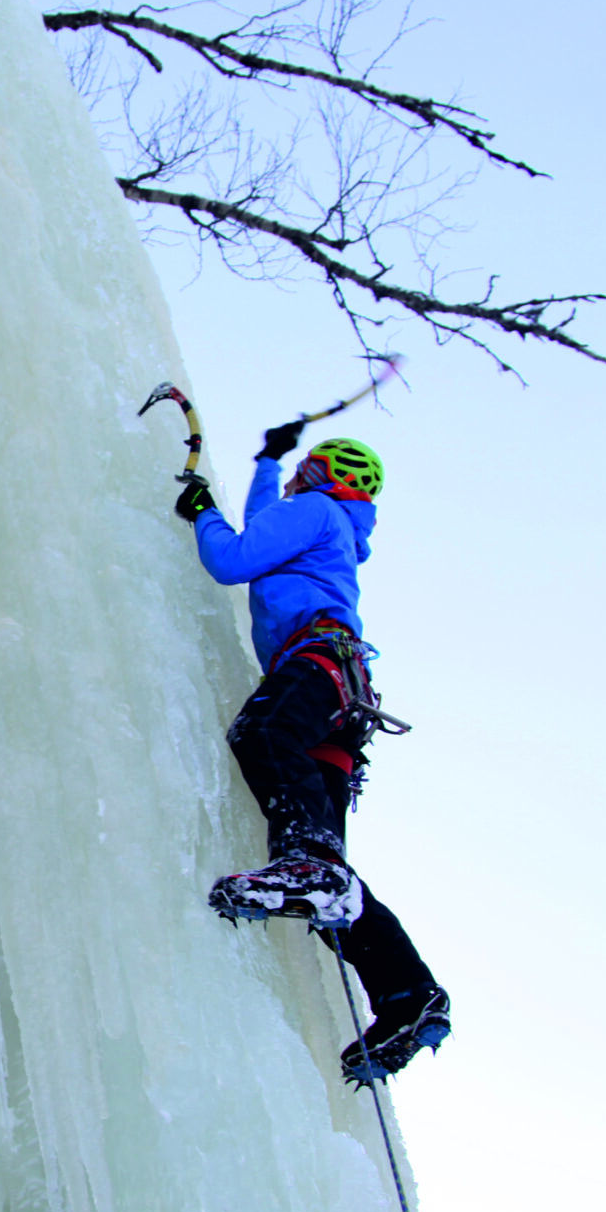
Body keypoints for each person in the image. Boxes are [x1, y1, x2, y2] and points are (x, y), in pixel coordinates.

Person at [175, 424, 452, 1084]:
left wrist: (201, 511)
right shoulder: (328, 526)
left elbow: (234, 559)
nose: (295, 479)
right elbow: (267, 525)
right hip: (342, 693)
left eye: (303, 469)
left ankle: (307, 865)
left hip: (318, 662)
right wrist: (267, 461)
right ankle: (410, 995)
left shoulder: (317, 510)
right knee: (331, 869)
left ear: (324, 477)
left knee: (260, 736)